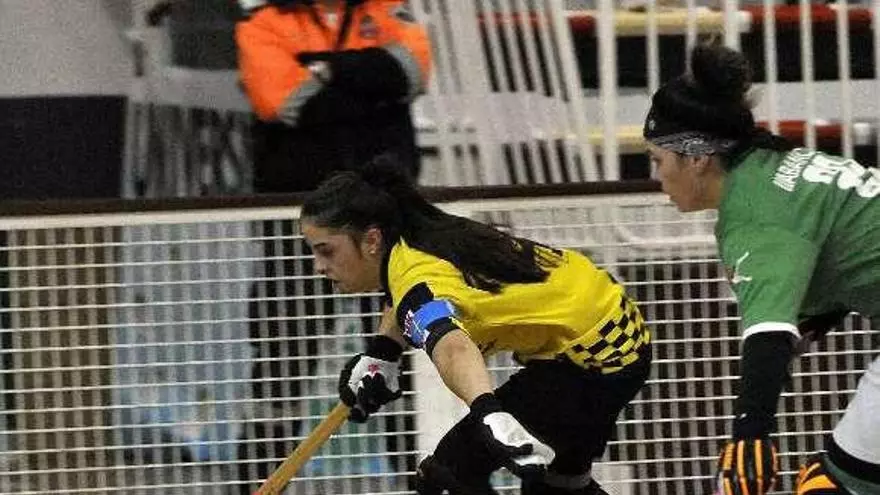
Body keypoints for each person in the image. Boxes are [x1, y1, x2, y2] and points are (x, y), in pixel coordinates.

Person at [298, 155, 652, 494]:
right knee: (556, 486)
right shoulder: (411, 235)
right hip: (612, 329)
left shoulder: (415, 278)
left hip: (595, 354)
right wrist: (383, 351)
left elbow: (452, 346)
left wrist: (488, 412)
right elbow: (402, 296)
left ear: (372, 240)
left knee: (448, 477)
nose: (319, 266)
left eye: (327, 250)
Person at [642, 40, 880, 495]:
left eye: (658, 160)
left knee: (832, 485)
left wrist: (750, 434)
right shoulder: (777, 167)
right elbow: (856, 251)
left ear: (696, 158)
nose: (658, 178)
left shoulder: (754, 215)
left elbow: (769, 334)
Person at [234, 0, 431, 489]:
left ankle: (421, 482)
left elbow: (412, 73)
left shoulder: (388, 9)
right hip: (298, 234)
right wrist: (374, 91)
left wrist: (329, 70)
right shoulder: (263, 24)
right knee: (281, 366)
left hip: (385, 226)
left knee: (405, 363)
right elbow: (287, 102)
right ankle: (258, 485)